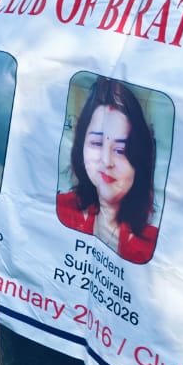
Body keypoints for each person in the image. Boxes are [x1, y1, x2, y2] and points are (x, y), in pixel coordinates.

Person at [56, 77, 159, 264]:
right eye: (96, 143)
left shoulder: (154, 246)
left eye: (120, 150)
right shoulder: (57, 210)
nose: (106, 161)